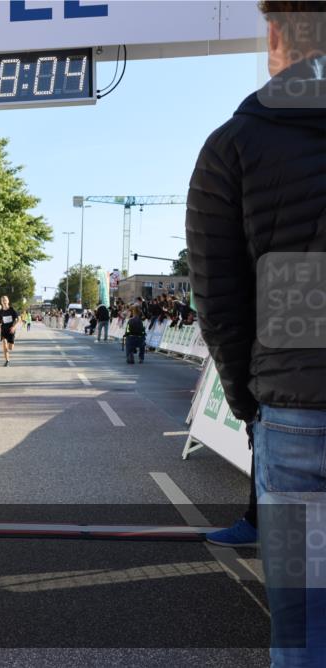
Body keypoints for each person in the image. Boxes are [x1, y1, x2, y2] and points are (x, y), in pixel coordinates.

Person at [185, 3, 325, 664]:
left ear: (275, 37)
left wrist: (252, 405)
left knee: (304, 626)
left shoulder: (233, 144)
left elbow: (221, 300)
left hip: (298, 414)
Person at [0, 295, 19, 366]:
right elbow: (0, 321)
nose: (4, 301)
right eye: (2, 300)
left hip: (11, 330)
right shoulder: (0, 312)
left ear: (8, 301)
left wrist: (14, 327)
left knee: (10, 348)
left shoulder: (12, 310)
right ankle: (7, 361)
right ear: (1, 302)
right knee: (4, 344)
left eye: (5, 300)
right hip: (4, 330)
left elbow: (18, 319)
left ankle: (12, 343)